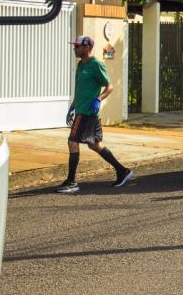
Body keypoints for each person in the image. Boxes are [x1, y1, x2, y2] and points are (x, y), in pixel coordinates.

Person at [56, 36, 133, 194]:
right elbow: (80, 89)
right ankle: (123, 171)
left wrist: (99, 99)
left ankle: (71, 181)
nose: (75, 49)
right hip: (81, 109)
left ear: (86, 47)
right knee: (95, 144)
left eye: (77, 46)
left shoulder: (96, 64)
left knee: (72, 142)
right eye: (75, 46)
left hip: (87, 112)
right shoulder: (80, 65)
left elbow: (109, 86)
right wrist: (72, 107)